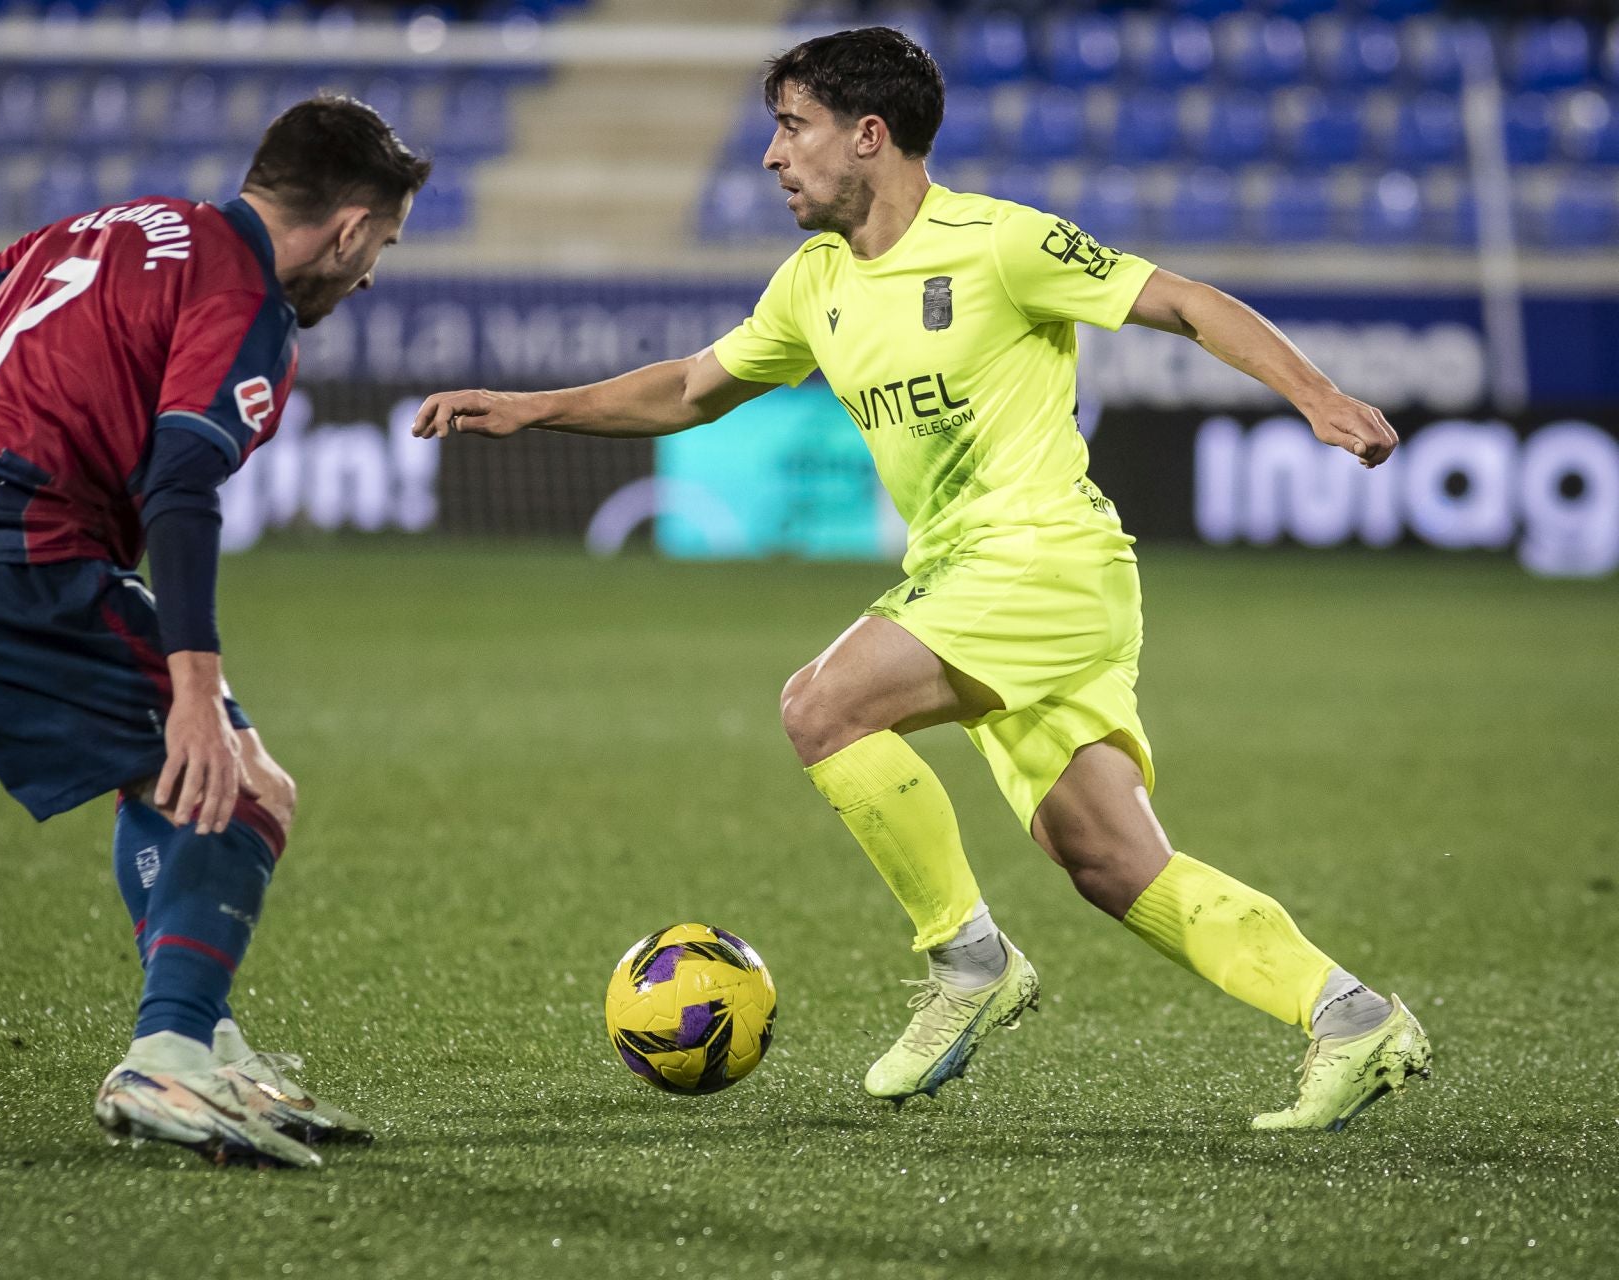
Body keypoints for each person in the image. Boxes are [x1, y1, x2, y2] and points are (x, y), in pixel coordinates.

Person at [414, 28, 1430, 1131]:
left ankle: (970, 959)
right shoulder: (813, 283)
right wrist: (530, 407)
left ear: (869, 134)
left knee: (823, 702)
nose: (770, 156)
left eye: (792, 126)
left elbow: (1182, 300)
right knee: (1110, 860)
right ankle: (1350, 1014)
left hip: (1043, 560)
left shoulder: (998, 241)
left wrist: (1316, 394)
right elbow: (694, 387)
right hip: (983, 581)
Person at [0, 94, 427, 1168]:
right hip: (1, 565)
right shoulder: (245, 297)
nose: (369, 279)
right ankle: (168, 1045)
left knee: (167, 780)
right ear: (352, 225)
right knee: (242, 783)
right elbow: (181, 482)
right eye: (383, 249)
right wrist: (195, 687)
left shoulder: (101, 226)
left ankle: (206, 1040)